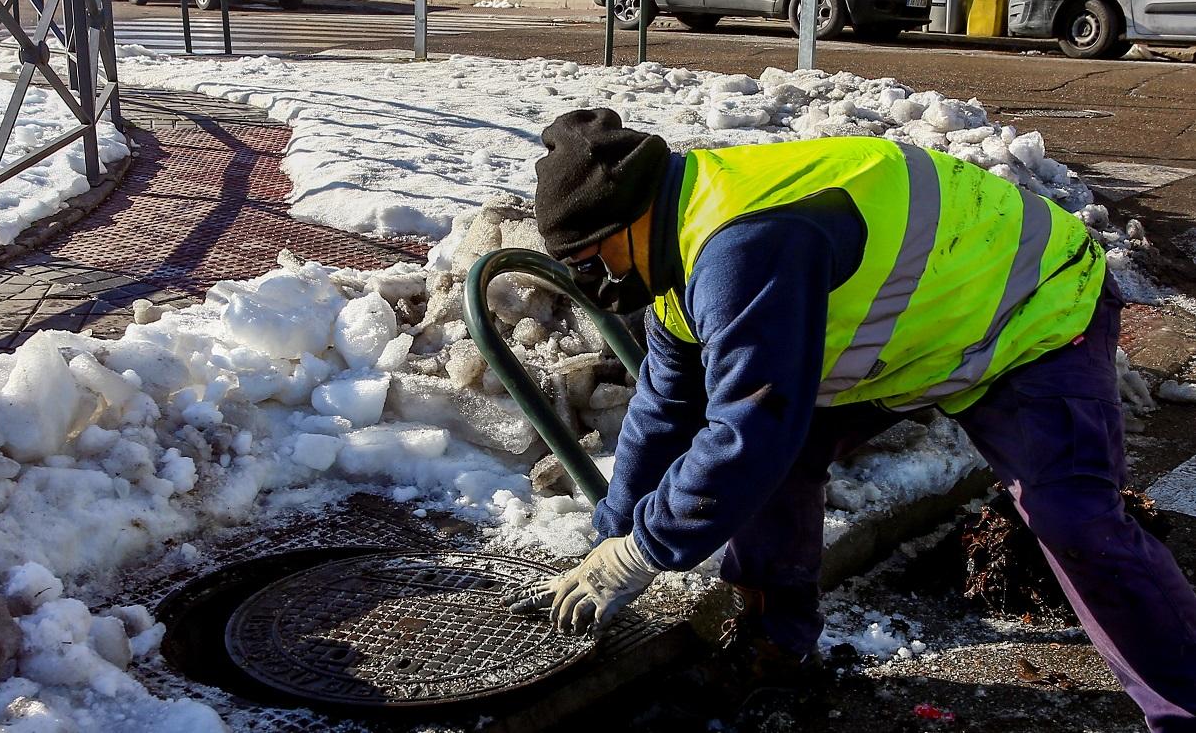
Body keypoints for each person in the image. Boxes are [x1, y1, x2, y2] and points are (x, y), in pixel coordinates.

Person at [502, 107, 1196, 732]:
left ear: (630, 217)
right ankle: (775, 639)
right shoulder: (675, 245)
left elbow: (748, 429)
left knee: (1077, 522)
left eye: (591, 260)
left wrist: (640, 554)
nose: (592, 284)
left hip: (1031, 307)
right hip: (929, 328)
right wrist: (609, 533)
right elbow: (667, 404)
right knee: (783, 455)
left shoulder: (743, 248)